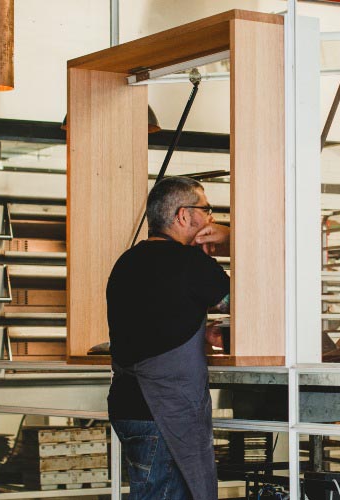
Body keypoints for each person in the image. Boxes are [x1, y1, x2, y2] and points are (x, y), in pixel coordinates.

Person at [107, 176, 231, 500]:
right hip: (163, 414)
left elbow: (155, 324)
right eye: (207, 210)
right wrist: (233, 238)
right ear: (183, 215)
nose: (211, 219)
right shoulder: (190, 263)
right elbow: (248, 298)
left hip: (128, 407)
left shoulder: (126, 263)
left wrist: (197, 330)